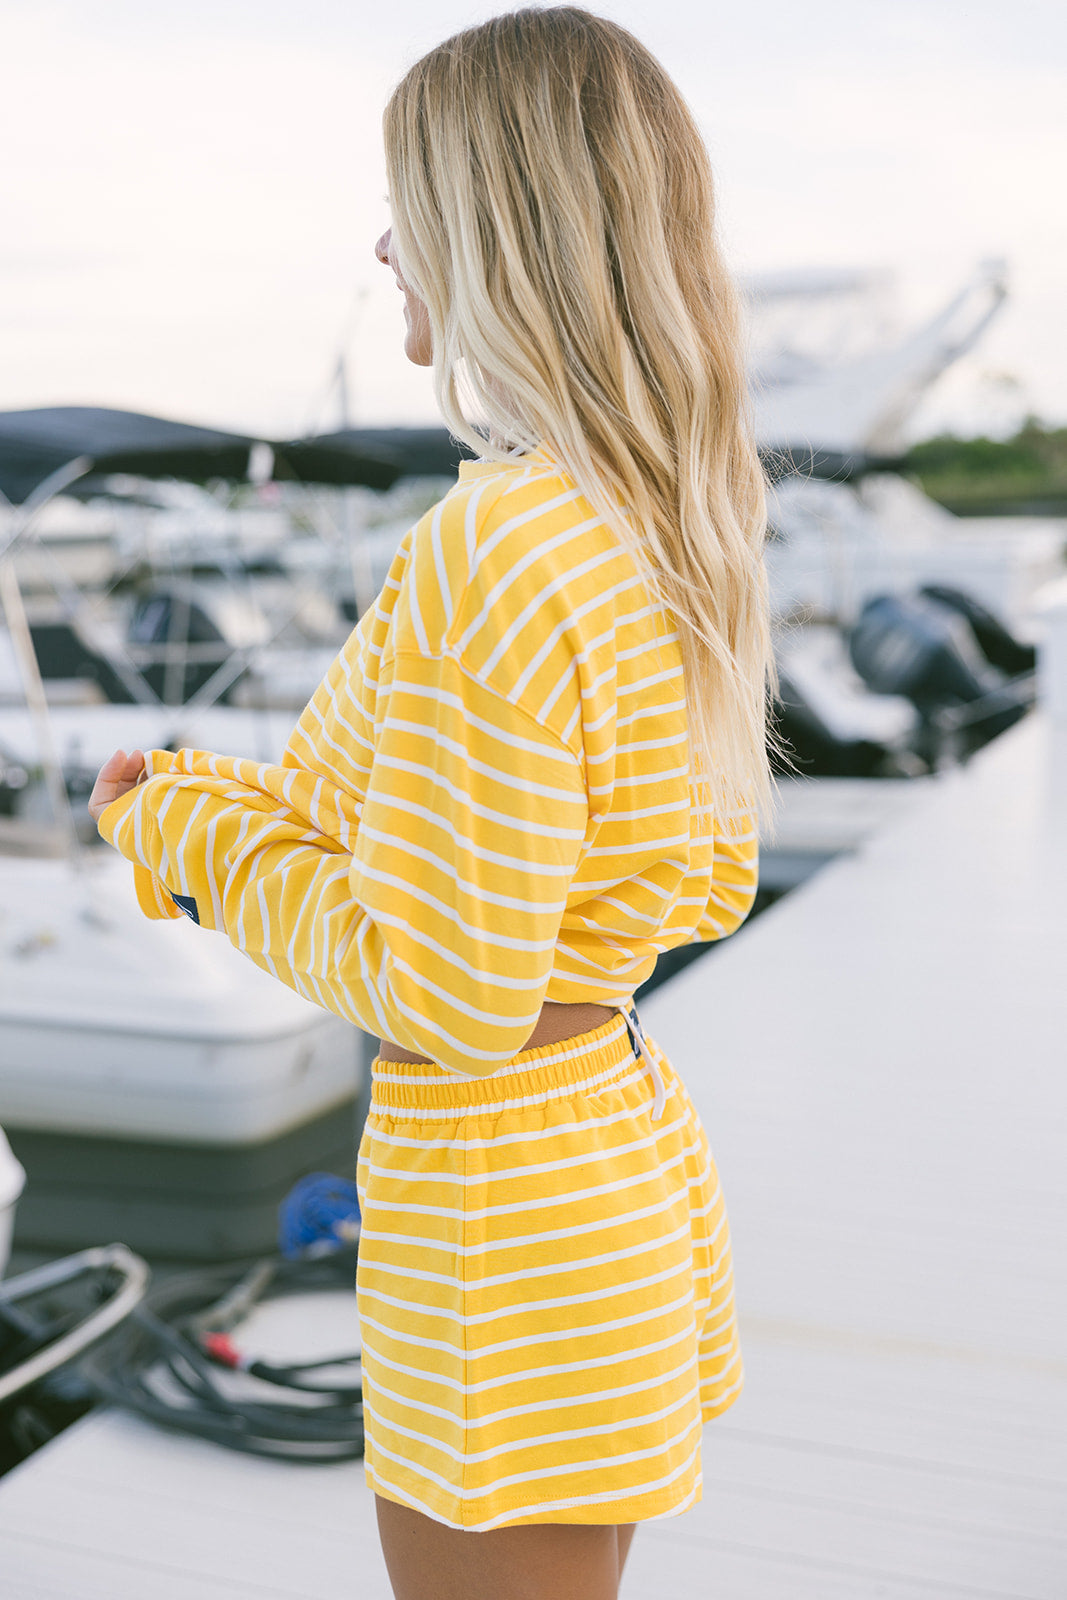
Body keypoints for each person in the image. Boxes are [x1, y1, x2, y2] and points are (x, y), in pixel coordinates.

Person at [89, 9, 772, 1597]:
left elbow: (445, 991)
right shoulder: (665, 512)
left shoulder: (496, 549)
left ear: (489, 228)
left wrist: (192, 844)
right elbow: (407, 812)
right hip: (607, 1147)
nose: (387, 245)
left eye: (409, 201)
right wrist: (204, 803)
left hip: (500, 1198)